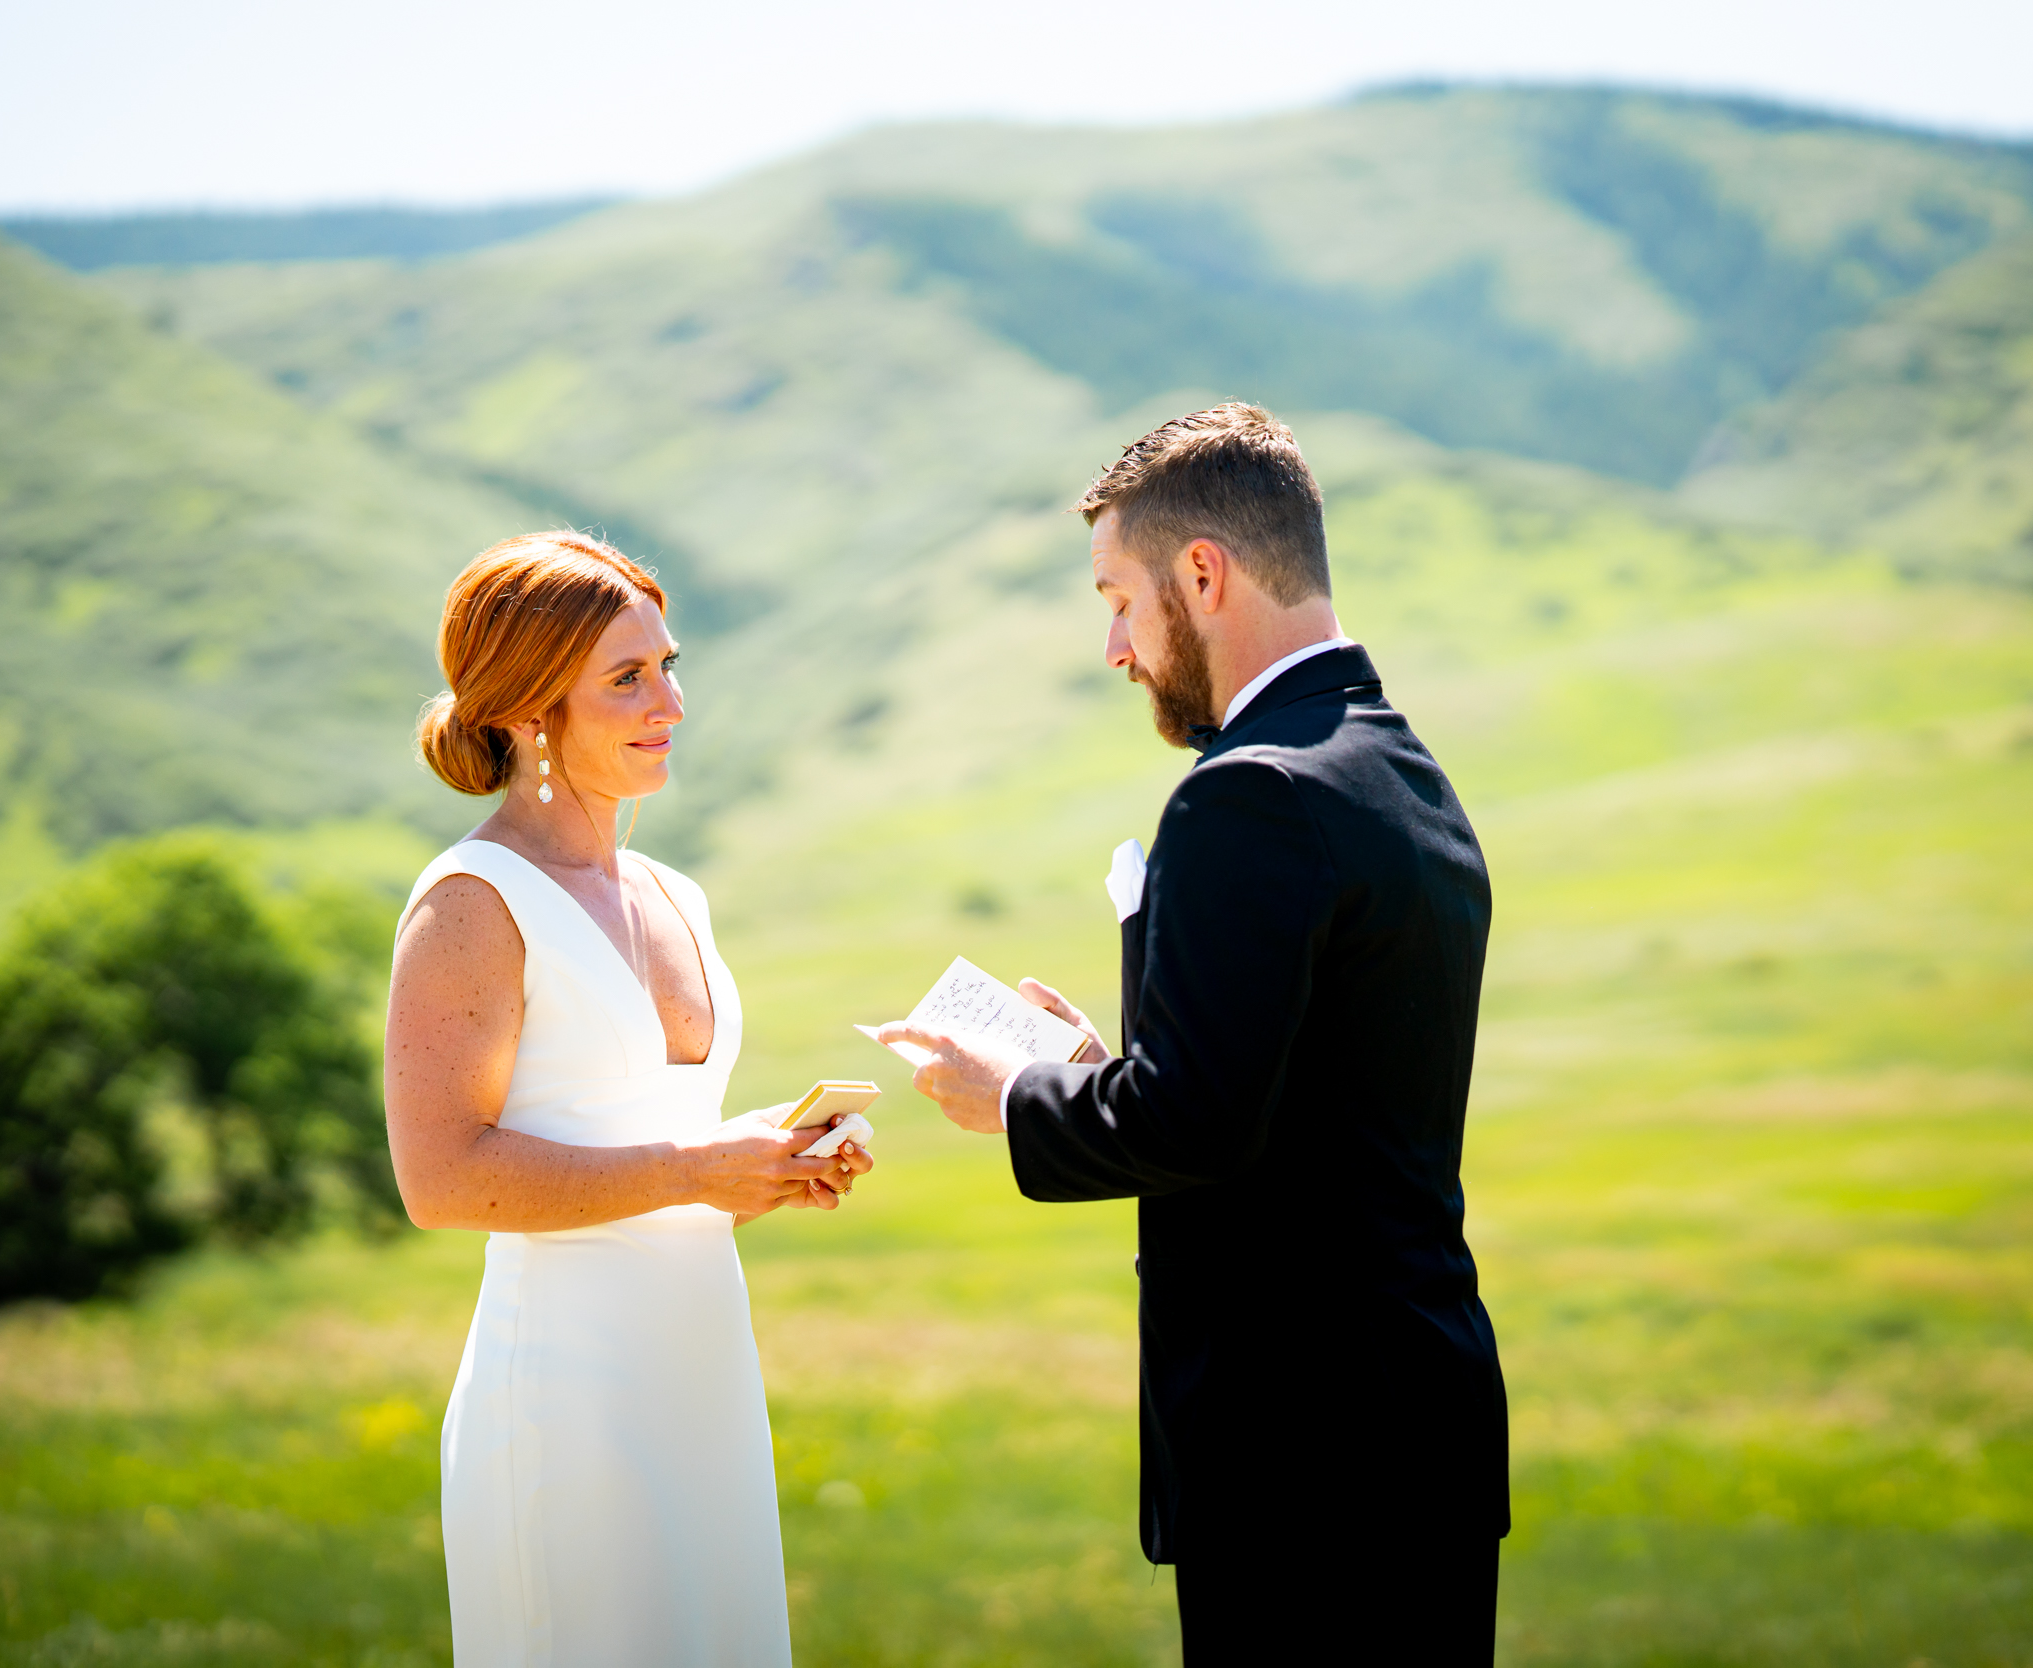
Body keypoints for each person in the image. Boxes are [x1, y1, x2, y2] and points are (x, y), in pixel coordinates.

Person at [880, 405, 1506, 1664]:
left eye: (1119, 597)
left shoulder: (1247, 794)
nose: (1114, 643)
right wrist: (1097, 1074)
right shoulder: (1394, 764)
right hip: (1414, 1424)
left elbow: (1199, 1125)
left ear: (1203, 573)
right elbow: (1300, 1099)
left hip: (1298, 1453)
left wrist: (1011, 1097)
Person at [383, 531, 872, 1668]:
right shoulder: (470, 902)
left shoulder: (674, 896)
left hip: (704, 1384)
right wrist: (700, 1169)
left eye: (668, 665)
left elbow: (657, 1170)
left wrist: (762, 1172)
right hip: (566, 1404)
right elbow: (441, 1179)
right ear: (522, 707)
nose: (672, 702)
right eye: (627, 678)